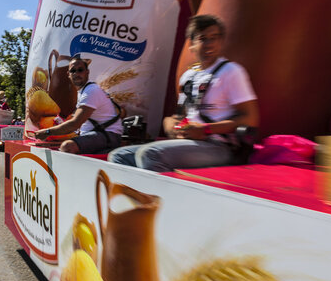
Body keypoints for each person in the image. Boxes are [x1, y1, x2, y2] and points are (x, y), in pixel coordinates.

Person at [108, 14, 259, 172]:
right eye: (203, 38)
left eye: (214, 37)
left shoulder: (232, 71)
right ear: (191, 44)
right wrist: (170, 123)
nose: (209, 44)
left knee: (150, 155)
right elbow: (181, 116)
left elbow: (250, 118)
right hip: (191, 143)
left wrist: (205, 130)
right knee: (119, 155)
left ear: (221, 41)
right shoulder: (188, 76)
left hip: (220, 146)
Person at [34, 54, 123, 154]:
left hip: (108, 136)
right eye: (73, 71)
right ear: (68, 74)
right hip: (99, 135)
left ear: (87, 72)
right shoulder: (83, 91)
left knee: (67, 147)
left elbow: (75, 124)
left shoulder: (91, 91)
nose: (76, 73)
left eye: (80, 70)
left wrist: (47, 132)